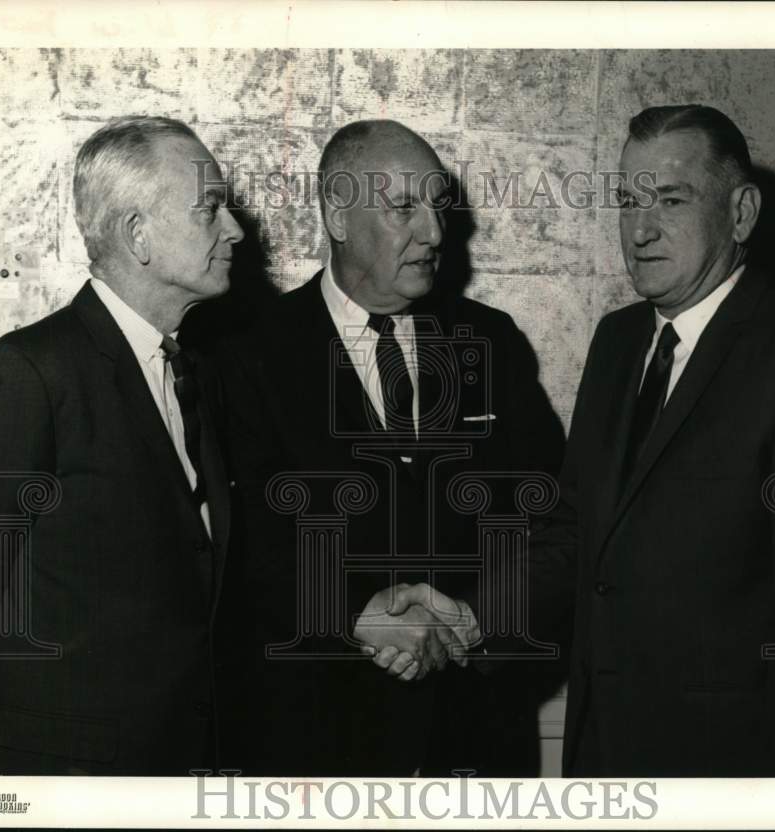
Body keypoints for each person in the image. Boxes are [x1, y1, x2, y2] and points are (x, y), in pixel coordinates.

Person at [393, 104, 775, 777]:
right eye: (627, 200)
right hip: (603, 758)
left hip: (730, 777)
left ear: (742, 213)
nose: (640, 229)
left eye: (670, 200)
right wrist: (472, 618)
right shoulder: (618, 342)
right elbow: (577, 532)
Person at [214, 118, 564, 776]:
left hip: (473, 738)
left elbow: (551, 517)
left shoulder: (492, 340)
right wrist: (352, 617)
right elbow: (246, 541)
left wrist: (471, 618)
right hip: (315, 744)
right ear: (338, 218)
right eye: (405, 207)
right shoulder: (245, 354)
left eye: (437, 205)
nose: (433, 233)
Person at [0, 116, 245, 775]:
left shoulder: (198, 372)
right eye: (209, 209)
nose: (233, 230)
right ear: (137, 234)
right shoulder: (29, 373)